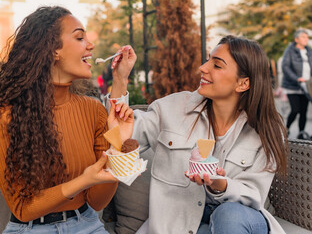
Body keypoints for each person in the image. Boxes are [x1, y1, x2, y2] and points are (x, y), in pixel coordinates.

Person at [0, 6, 134, 234]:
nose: (90, 45)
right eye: (79, 37)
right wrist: (83, 181)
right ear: (53, 49)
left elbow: (97, 202)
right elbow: (22, 208)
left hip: (87, 224)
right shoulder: (3, 116)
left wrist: (117, 146)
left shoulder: (94, 110)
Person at [107, 35, 288, 233]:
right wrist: (120, 79)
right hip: (183, 224)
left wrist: (220, 185)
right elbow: (121, 141)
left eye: (217, 65)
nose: (203, 68)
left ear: (243, 84)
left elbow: (254, 194)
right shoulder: (172, 109)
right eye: (208, 59)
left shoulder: (267, 129)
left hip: (240, 221)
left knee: (228, 215)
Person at [281, 29, 312, 140]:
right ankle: (286, 129)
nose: (306, 39)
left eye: (307, 37)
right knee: (295, 109)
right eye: (303, 37)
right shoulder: (290, 51)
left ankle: (301, 133)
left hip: (306, 87)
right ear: (296, 39)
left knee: (303, 111)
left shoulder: (308, 51)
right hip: (292, 86)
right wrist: (297, 78)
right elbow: (285, 67)